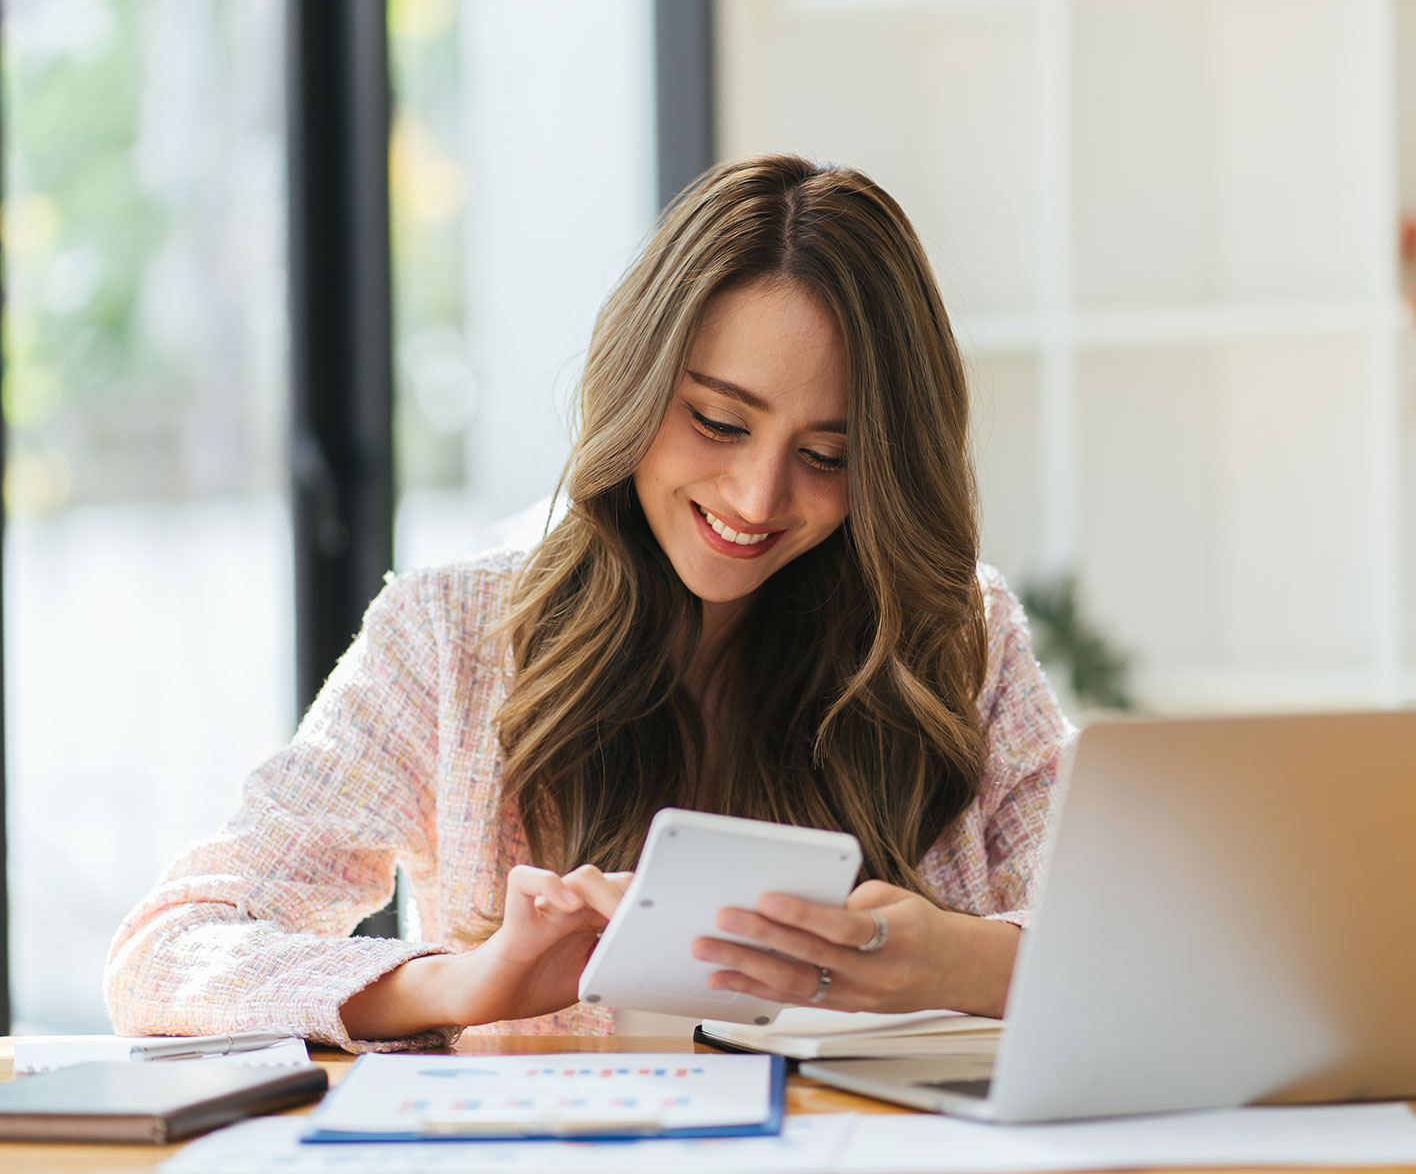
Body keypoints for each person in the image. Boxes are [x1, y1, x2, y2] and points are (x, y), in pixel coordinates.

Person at [105, 154, 1071, 1052]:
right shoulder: (454, 640)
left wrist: (964, 961)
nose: (757, 498)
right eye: (718, 422)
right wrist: (461, 984)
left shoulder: (956, 641)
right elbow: (172, 953)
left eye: (829, 456)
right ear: (636, 386)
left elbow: (1148, 947)